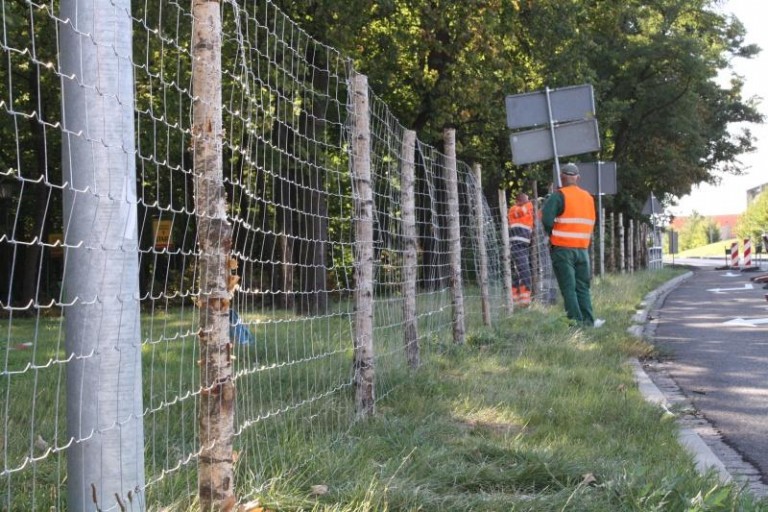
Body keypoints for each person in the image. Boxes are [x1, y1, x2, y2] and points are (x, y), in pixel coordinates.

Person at [541, 163, 604, 328]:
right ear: (578, 178)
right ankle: (589, 321)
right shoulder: (588, 198)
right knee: (583, 287)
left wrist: (551, 233)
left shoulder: (559, 195)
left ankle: (575, 323)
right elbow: (592, 221)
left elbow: (547, 220)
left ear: (561, 178)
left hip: (562, 248)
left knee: (568, 288)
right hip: (582, 249)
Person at [507, 192, 534, 305]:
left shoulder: (527, 211)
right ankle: (524, 301)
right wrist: (530, 203)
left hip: (524, 246)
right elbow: (523, 210)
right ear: (518, 201)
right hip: (516, 245)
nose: (527, 203)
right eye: (525, 200)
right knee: (524, 273)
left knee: (519, 274)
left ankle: (517, 301)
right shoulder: (514, 210)